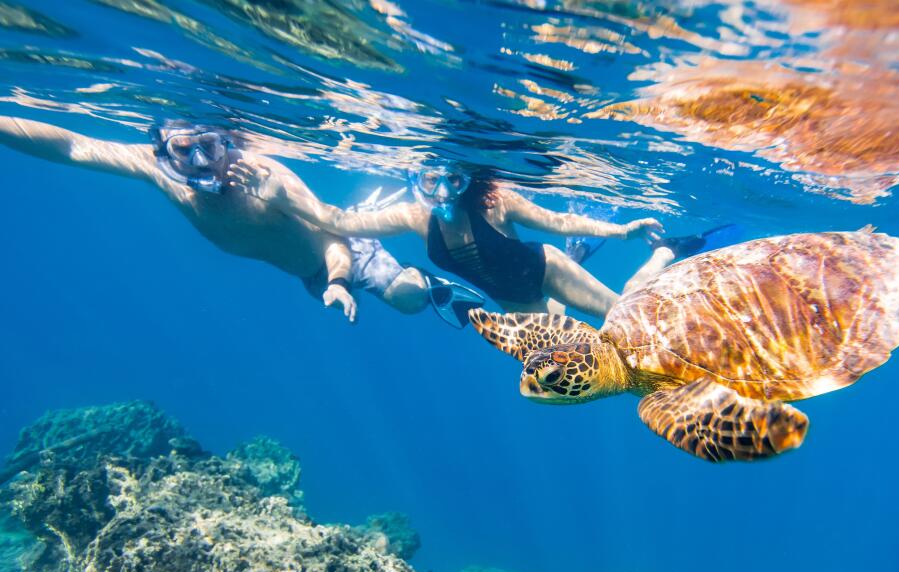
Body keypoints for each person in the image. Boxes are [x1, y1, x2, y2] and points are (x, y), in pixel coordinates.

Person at [0, 116, 481, 326]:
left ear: (226, 143)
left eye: (211, 147)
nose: (203, 163)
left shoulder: (262, 175)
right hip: (309, 274)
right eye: (186, 151)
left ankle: (434, 283)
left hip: (342, 255)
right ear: (164, 149)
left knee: (405, 301)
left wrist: (338, 280)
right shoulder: (153, 169)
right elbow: (71, 146)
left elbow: (332, 236)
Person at [227, 157, 686, 319]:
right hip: (512, 296)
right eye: (431, 182)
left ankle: (665, 253)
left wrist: (623, 230)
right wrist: (280, 197)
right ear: (416, 180)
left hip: (544, 268)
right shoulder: (413, 216)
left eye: (454, 181)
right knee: (555, 354)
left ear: (469, 181)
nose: (443, 193)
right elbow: (340, 221)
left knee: (625, 317)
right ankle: (583, 258)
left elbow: (560, 220)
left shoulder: (497, 204)